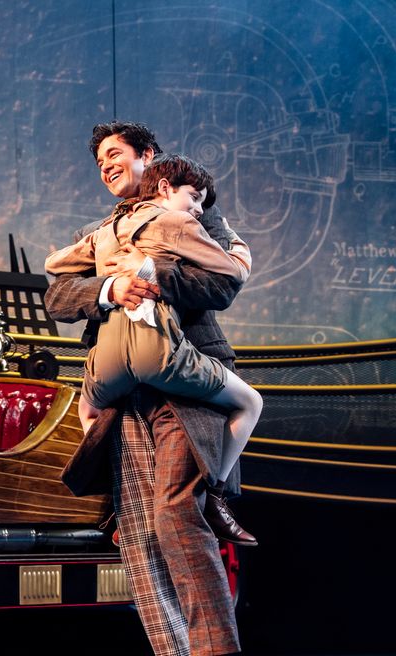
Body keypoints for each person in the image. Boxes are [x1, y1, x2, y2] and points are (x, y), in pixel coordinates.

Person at [45, 121, 247, 656]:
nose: (107, 165)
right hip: (123, 395)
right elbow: (58, 298)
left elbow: (225, 282)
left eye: (116, 154)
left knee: (178, 515)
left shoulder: (191, 213)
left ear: (148, 157)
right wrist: (112, 286)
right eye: (100, 161)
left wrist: (154, 273)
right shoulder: (99, 233)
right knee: (138, 537)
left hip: (184, 383)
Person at [45, 153, 262, 544]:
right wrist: (238, 245)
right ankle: (215, 491)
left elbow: (55, 263)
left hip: (110, 357)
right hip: (156, 352)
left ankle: (113, 498)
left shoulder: (107, 229)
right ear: (165, 188)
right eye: (195, 198)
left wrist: (109, 273)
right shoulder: (177, 222)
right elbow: (232, 272)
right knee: (250, 403)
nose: (198, 209)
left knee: (88, 408)